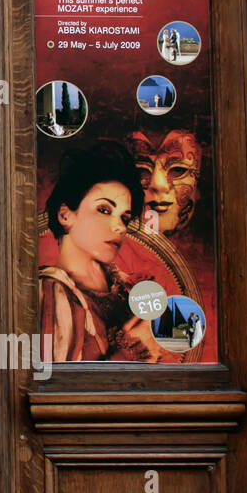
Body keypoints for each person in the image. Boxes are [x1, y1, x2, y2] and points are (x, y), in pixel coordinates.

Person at [39, 142, 172, 363]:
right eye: (104, 210)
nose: (119, 227)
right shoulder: (52, 293)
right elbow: (57, 388)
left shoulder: (121, 284)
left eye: (124, 217)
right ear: (65, 216)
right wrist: (127, 355)